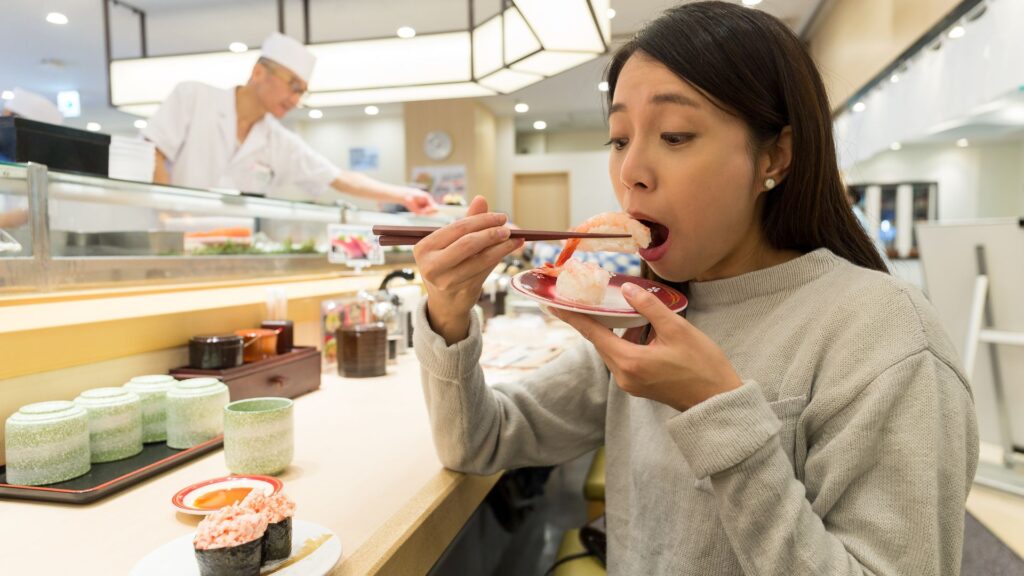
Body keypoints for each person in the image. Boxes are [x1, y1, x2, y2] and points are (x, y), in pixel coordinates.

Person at [410, 2, 977, 575]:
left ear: (775, 157)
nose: (631, 170)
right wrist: (447, 315)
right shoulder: (648, 311)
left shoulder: (885, 335)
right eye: (618, 139)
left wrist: (714, 410)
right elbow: (480, 442)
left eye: (675, 135)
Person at [142, 33, 436, 214]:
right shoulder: (193, 97)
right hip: (170, 241)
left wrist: (405, 195)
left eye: (302, 92)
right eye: (292, 86)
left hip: (229, 248)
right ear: (258, 72)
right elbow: (152, 152)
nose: (296, 99)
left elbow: (337, 177)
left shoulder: (277, 139)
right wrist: (169, 211)